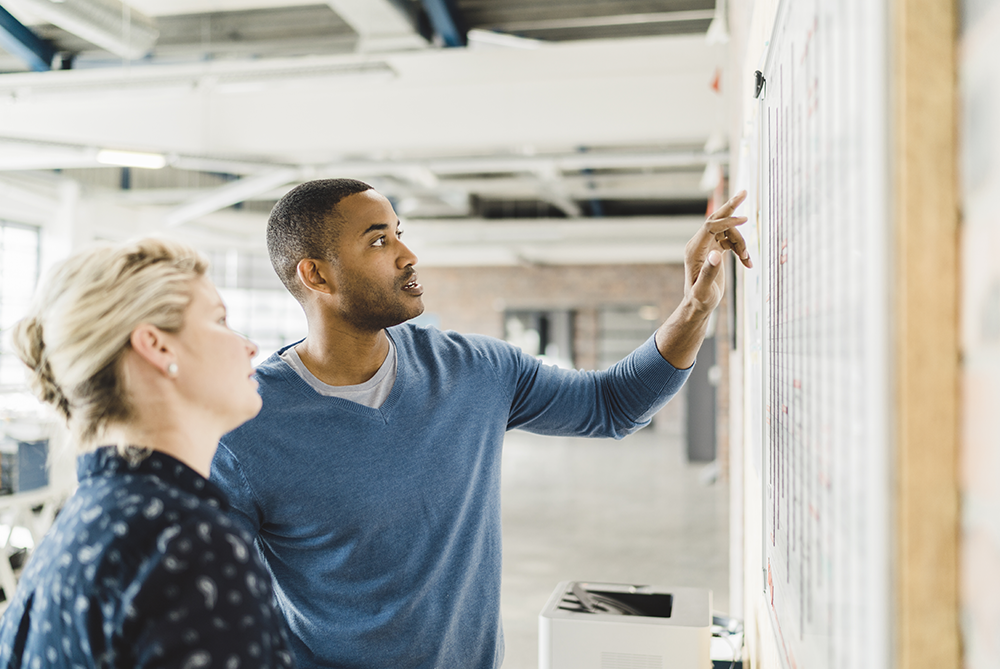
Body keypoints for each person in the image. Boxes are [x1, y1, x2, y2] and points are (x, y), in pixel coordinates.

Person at [210, 179, 751, 668]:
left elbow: (612, 404)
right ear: (316, 274)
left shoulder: (476, 370)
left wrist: (695, 307)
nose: (407, 254)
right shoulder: (245, 426)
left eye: (400, 233)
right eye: (379, 241)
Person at [0, 238, 297, 668]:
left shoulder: (85, 525)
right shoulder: (190, 544)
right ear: (157, 347)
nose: (248, 346)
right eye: (219, 320)